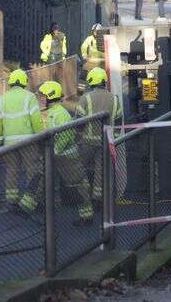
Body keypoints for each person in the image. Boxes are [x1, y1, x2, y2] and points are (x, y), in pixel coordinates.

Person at [38, 81, 94, 225]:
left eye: (43, 96)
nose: (40, 98)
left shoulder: (60, 114)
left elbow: (65, 135)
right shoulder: (50, 113)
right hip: (56, 156)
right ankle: (32, 208)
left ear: (51, 96)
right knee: (42, 181)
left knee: (78, 186)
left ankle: (86, 217)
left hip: (67, 158)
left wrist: (54, 151)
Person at [0, 69, 44, 207]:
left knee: (11, 170)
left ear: (10, 83)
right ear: (24, 82)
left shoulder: (1, 100)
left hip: (9, 143)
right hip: (29, 142)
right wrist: (41, 137)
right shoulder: (30, 97)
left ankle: (11, 199)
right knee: (32, 170)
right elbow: (36, 121)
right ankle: (34, 199)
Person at [75, 67, 122, 203]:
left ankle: (82, 197)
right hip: (107, 141)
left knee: (79, 169)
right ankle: (98, 198)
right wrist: (115, 138)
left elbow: (79, 123)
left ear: (91, 81)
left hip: (87, 142)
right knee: (100, 171)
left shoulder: (86, 98)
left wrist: (78, 138)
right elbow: (118, 120)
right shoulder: (114, 98)